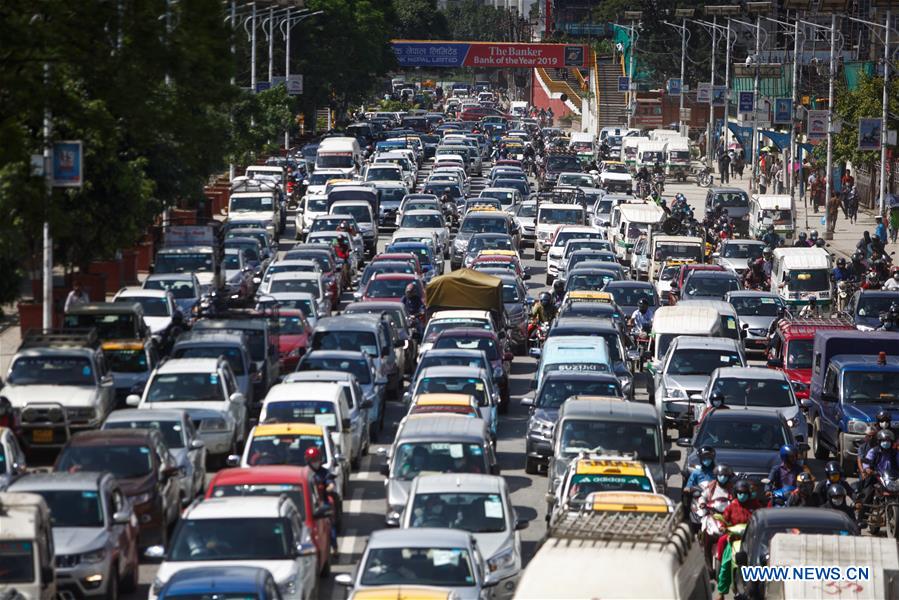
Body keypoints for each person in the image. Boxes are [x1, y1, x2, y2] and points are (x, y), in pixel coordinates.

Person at [716, 479, 761, 600]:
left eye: (745, 492)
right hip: (734, 539)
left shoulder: (755, 505)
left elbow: (761, 518)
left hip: (751, 540)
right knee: (725, 565)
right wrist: (722, 527)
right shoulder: (732, 506)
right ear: (736, 493)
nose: (742, 495)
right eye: (740, 492)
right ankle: (721, 592)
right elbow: (724, 520)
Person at [859, 429, 899, 525]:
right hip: (875, 476)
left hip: (891, 478)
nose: (886, 443)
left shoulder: (895, 453)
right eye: (884, 441)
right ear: (879, 442)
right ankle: (860, 520)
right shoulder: (874, 451)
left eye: (888, 441)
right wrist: (867, 469)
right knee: (867, 494)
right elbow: (867, 461)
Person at [305, 446, 338, 554]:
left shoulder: (324, 472)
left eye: (317, 459)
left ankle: (334, 548)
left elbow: (331, 484)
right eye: (312, 460)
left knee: (330, 524)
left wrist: (328, 488)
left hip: (322, 502)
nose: (315, 462)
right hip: (308, 504)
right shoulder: (305, 473)